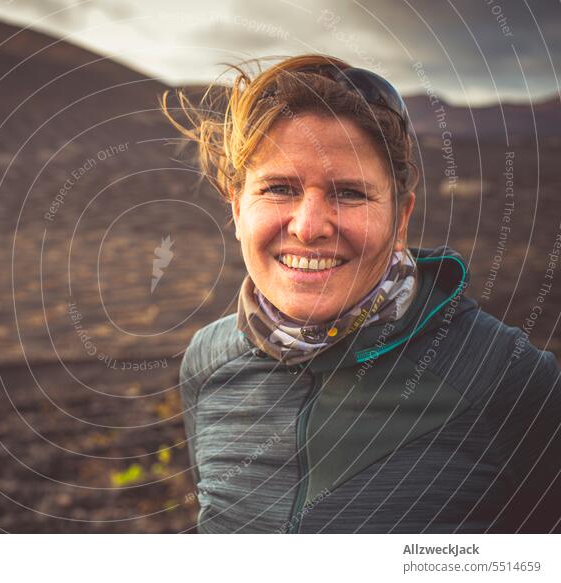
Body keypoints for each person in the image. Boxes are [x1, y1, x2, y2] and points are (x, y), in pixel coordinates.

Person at [163, 54, 561, 533]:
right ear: (236, 208)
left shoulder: (508, 377)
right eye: (279, 188)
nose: (309, 228)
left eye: (349, 193)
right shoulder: (206, 364)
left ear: (401, 218)